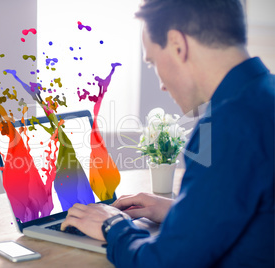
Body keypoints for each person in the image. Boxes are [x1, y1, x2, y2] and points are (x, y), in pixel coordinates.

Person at [61, 0, 275, 267]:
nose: (161, 84)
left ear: (177, 45)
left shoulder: (229, 124)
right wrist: (182, 212)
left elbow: (165, 262)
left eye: (152, 62)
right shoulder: (266, 96)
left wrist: (113, 225)